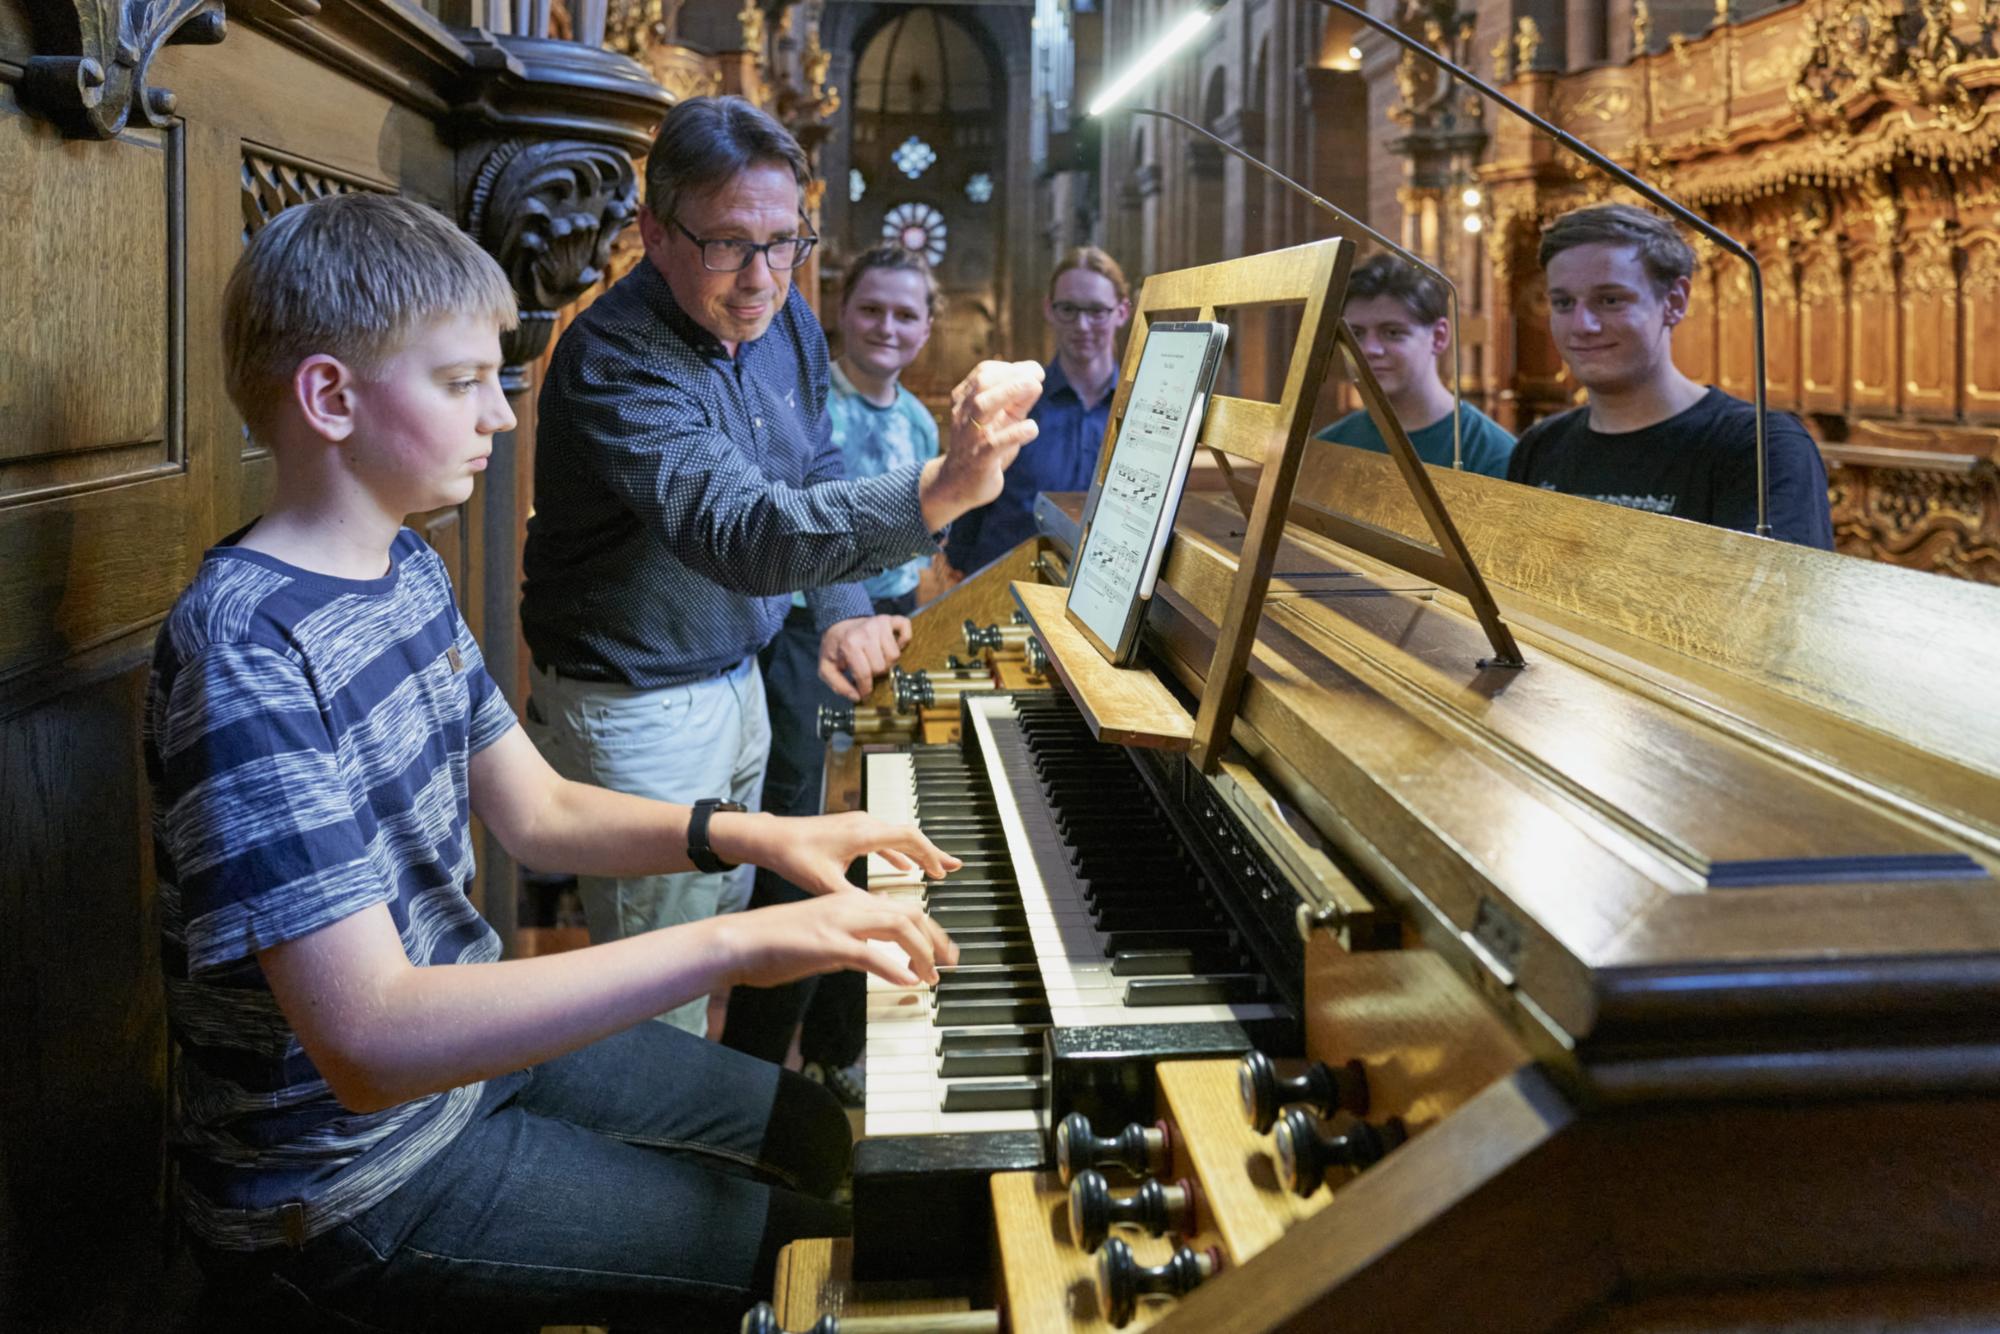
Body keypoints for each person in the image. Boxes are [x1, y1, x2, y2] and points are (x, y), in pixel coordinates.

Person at [150, 192, 973, 1332]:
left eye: (498, 376)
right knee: (813, 1252)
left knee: (818, 1133)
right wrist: (737, 935)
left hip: (466, 1069)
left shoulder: (402, 566)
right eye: (461, 382)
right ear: (330, 396)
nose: (500, 413)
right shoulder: (244, 649)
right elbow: (370, 1040)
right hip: (345, 1181)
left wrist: (758, 835)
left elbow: (530, 806)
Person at [521, 96, 1042, 1032]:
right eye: (728, 244)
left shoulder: (786, 321)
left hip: (742, 675)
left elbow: (810, 466)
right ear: (653, 232)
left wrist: (842, 608)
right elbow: (745, 532)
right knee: (662, 992)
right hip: (639, 703)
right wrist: (940, 489)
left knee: (718, 932)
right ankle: (664, 1168)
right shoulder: (613, 358)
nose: (761, 277)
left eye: (783, 241)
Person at [720, 245, 944, 1100]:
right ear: (842, 314)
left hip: (889, 643)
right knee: (801, 849)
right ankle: (752, 1067)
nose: (888, 327)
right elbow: (798, 522)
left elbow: (923, 550)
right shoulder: (814, 407)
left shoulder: (920, 424)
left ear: (927, 327)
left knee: (876, 841)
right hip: (804, 643)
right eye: (872, 310)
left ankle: (837, 1052)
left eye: (906, 314)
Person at [1505, 203, 1834, 547]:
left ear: (1675, 301)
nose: (1582, 325)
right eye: (1563, 303)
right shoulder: (1540, 447)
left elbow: (1767, 596)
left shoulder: (1762, 448)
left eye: (1611, 300)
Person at [943, 245, 1132, 577]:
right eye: (1068, 309)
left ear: (1122, 312)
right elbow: (971, 499)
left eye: (1097, 310)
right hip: (1001, 584)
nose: (1082, 325)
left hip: (1094, 591)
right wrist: (958, 566)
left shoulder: (1138, 412)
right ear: (1049, 309)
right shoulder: (1017, 398)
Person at [1314, 253, 1515, 477]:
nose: (1369, 349)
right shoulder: (1325, 448)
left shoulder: (1496, 455)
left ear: (1439, 337)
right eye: (1356, 334)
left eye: (1392, 332)